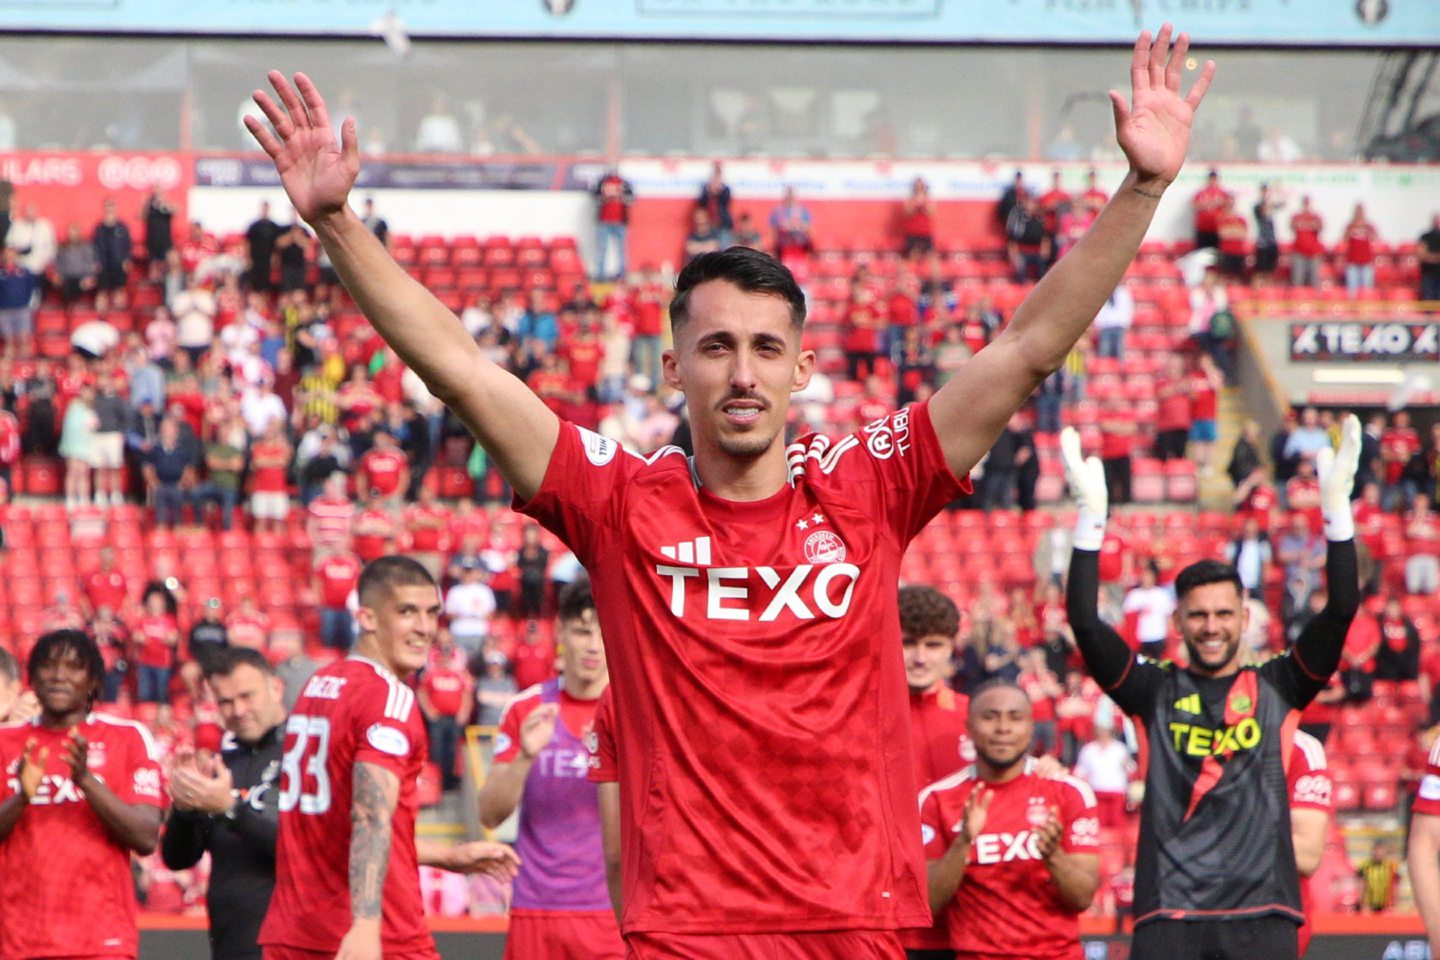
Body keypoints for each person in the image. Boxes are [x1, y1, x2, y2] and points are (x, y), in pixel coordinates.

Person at [246, 29, 1211, 951]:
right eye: (715, 348)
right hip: (686, 931)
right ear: (672, 367)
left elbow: (1027, 347)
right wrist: (336, 224)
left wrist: (1144, 185)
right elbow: (463, 369)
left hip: (855, 921)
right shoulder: (620, 502)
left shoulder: (870, 483)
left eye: (765, 349)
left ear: (802, 369)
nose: (741, 373)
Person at [1060, 418, 1359, 960]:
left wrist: (1337, 514)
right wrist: (1091, 523)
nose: (1212, 626)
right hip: (1168, 916)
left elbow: (1340, 611)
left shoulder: (1280, 686)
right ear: (1178, 622)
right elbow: (1083, 621)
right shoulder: (1151, 691)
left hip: (1263, 916)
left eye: (1224, 613)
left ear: (1244, 618)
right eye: (1198, 616)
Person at [258, 557, 520, 960]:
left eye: (432, 613)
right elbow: (369, 816)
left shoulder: (318, 685)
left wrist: (447, 856)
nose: (425, 628)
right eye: (407, 612)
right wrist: (366, 926)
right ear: (366, 617)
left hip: (293, 932)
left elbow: (340, 823)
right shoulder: (388, 697)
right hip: (375, 936)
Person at [478, 579, 623, 959]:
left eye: (603, 631)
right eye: (581, 631)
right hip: (536, 911)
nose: (592, 645)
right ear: (559, 631)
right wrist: (525, 757)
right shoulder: (526, 709)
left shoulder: (634, 716)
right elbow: (489, 813)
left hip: (612, 913)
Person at [0, 630, 164, 960]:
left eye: (73, 667)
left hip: (103, 942)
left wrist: (86, 781)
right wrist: (21, 798)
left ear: (93, 681)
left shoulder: (128, 738)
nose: (59, 675)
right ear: (32, 678)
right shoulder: (5, 742)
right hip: (19, 943)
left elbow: (146, 837)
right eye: (48, 666)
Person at [919, 681, 1101, 959]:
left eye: (1015, 718)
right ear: (968, 727)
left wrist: (1053, 856)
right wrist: (963, 842)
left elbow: (1082, 898)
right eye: (990, 717)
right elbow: (928, 903)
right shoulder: (936, 799)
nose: (1003, 728)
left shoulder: (1068, 791)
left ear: (1030, 727)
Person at [160, 647, 288, 960]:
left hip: (293, 948)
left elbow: (299, 846)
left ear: (276, 688)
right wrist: (185, 807)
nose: (238, 710)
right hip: (230, 947)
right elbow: (178, 859)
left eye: (247, 696)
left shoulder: (305, 755)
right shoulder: (223, 765)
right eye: (226, 702)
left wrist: (228, 808)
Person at [899, 584, 973, 960]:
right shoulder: (861, 717)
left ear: (951, 647)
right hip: (887, 918)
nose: (920, 658)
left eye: (933, 645)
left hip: (964, 919)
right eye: (909, 643)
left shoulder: (978, 719)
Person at [593, 168, 634, 282]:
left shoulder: (624, 183)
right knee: (602, 248)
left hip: (620, 221)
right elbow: (595, 198)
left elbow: (631, 199)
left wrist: (621, 196)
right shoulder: (602, 182)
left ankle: (621, 274)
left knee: (622, 249)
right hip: (604, 221)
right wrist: (605, 197)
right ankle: (601, 274)